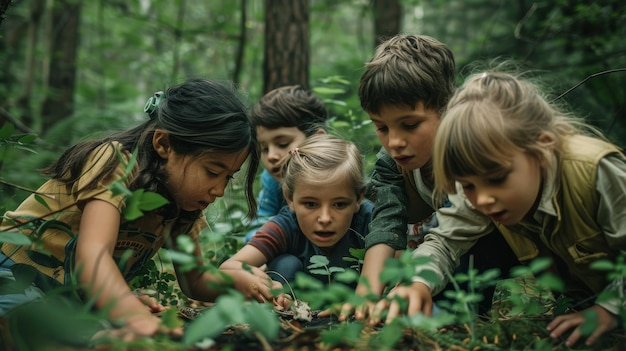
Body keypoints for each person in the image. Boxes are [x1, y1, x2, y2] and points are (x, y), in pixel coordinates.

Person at [0, 78, 261, 338]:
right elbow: (93, 256)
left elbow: (194, 280)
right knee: (28, 326)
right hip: (12, 274)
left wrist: (236, 281)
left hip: (69, 300)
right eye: (212, 171)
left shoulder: (182, 203)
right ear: (164, 145)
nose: (219, 190)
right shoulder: (115, 161)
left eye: (228, 177)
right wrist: (131, 313)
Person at [417, 70, 625, 347]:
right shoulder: (486, 185)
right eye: (467, 186)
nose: (482, 200)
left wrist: (609, 309)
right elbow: (443, 241)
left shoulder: (595, 173)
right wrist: (416, 282)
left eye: (497, 179)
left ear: (543, 148)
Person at [332, 34, 518, 323]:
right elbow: (386, 224)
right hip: (436, 252)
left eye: (410, 125)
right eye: (381, 127)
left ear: (446, 109)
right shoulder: (391, 163)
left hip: (485, 247)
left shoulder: (472, 153)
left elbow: (457, 234)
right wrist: (365, 295)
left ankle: (466, 315)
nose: (394, 141)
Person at [220, 134, 374, 298]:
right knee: (286, 264)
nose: (325, 218)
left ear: (359, 198)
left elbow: (402, 264)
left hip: (360, 304)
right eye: (311, 204)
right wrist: (263, 283)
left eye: (339, 204)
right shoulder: (287, 225)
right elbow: (228, 268)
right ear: (290, 198)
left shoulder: (370, 221)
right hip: (297, 309)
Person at [243, 85, 328, 242]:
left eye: (283, 144)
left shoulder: (341, 174)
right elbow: (259, 224)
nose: (272, 156)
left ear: (318, 139)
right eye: (264, 149)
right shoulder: (271, 180)